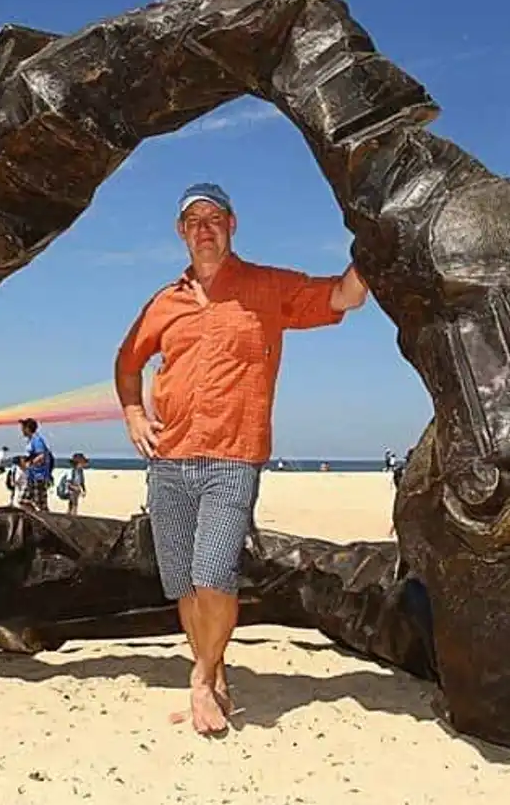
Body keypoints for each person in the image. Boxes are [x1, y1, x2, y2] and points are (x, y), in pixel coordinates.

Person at [114, 181, 368, 736]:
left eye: (215, 219)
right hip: (169, 459)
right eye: (194, 221)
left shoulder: (267, 287)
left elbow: (343, 297)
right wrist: (134, 414)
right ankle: (217, 668)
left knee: (214, 573)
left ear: (232, 226)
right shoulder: (164, 302)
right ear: (181, 233)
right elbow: (127, 361)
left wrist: (371, 243)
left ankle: (201, 679)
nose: (204, 229)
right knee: (183, 581)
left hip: (233, 456)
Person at [18, 418, 53, 511]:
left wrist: (29, 464)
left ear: (27, 428)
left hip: (38, 477)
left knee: (40, 505)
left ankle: (45, 522)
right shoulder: (31, 441)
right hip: (31, 476)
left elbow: (42, 456)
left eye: (23, 428)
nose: (21, 430)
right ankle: (33, 519)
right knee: (24, 501)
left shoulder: (37, 440)